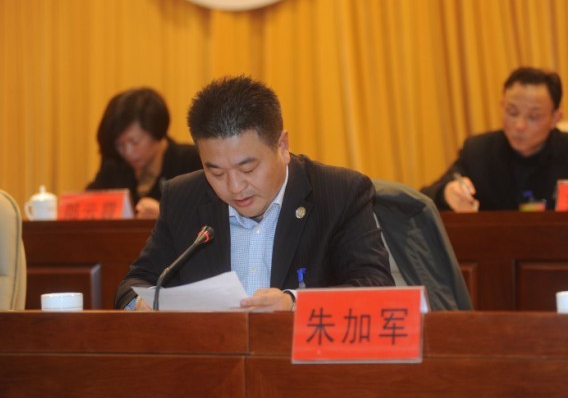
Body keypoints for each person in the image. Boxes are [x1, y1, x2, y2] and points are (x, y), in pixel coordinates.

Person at [115, 76, 394, 311]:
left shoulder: (339, 193)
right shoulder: (182, 197)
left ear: (282, 146)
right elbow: (134, 284)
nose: (235, 186)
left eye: (247, 168)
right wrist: (141, 306)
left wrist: (293, 303)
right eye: (216, 172)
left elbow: (376, 286)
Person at [421, 67, 567, 212]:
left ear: (555, 118)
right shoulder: (478, 151)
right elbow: (423, 200)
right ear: (502, 106)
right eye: (512, 112)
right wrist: (446, 194)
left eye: (533, 116)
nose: (519, 125)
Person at [86, 87, 202, 218]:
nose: (128, 152)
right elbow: (88, 206)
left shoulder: (192, 161)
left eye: (134, 142)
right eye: (120, 145)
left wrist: (166, 216)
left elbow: (210, 217)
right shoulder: (114, 166)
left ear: (156, 131)